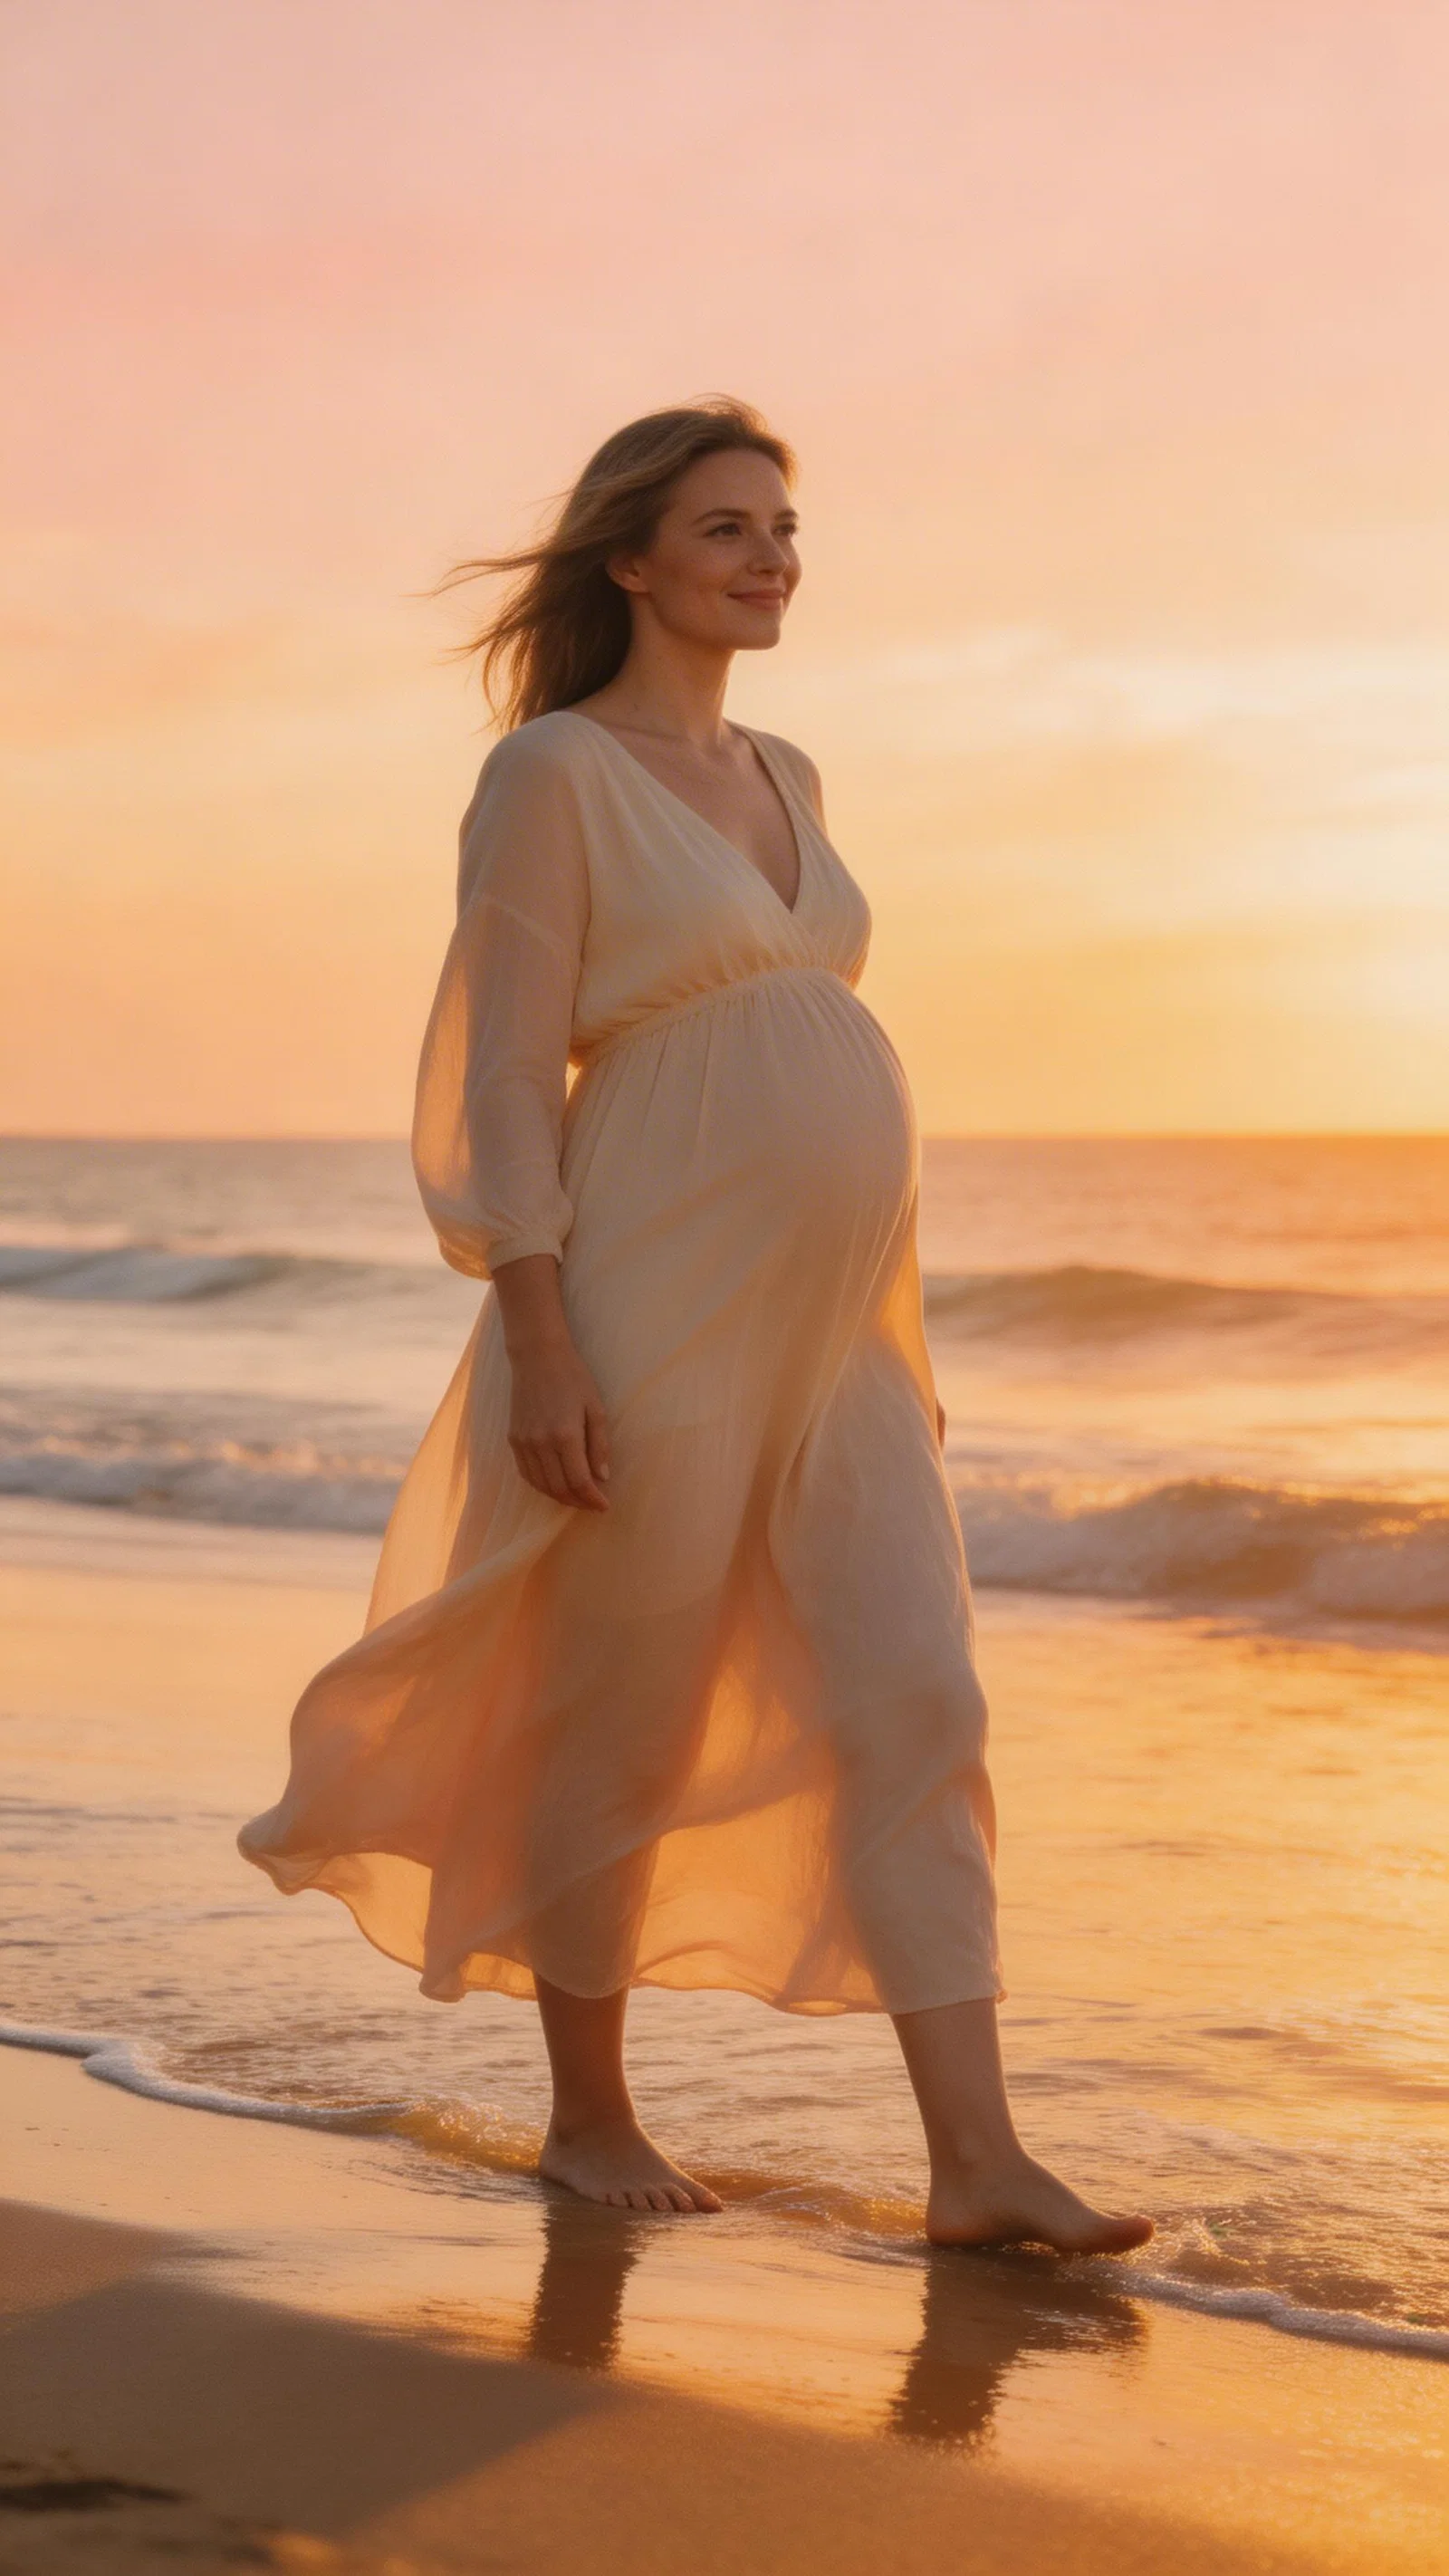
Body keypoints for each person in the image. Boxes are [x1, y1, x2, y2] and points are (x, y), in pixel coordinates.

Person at [240, 399, 1152, 2256]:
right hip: (648, 1295)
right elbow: (501, 1071)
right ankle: (590, 2112)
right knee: (627, 1698)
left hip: (838, 1334)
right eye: (727, 530)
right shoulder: (551, 775)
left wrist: (888, 1336)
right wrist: (542, 1336)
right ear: (630, 561)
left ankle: (973, 2160)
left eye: (785, 530)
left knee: (916, 1689)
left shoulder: (791, 773)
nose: (770, 561)